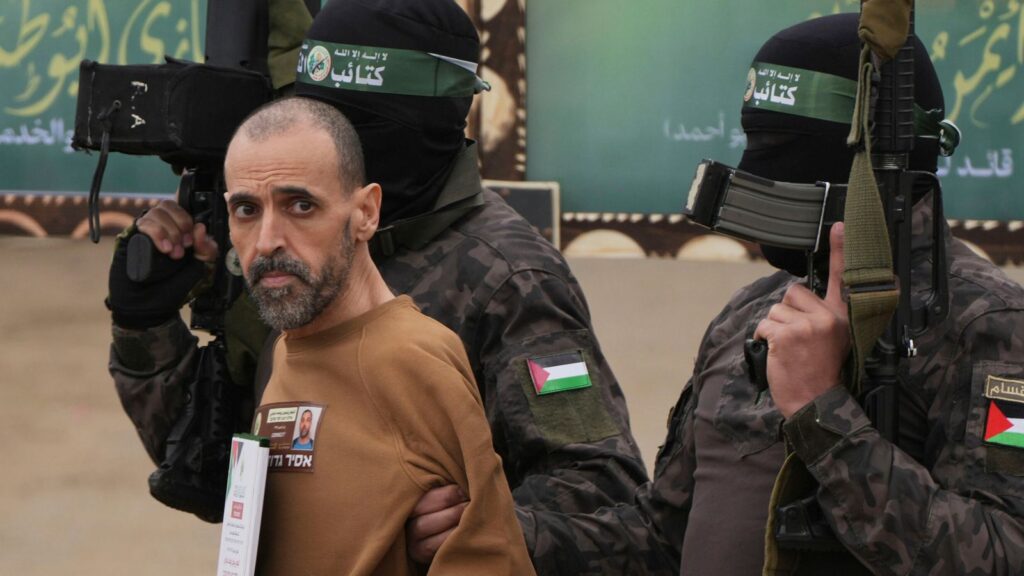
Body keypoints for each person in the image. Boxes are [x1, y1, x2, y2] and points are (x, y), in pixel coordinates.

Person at [410, 13, 1024, 575]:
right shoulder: (749, 312)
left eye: (788, 159)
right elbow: (659, 538)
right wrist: (506, 532)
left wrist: (823, 412)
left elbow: (1002, 551)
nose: (761, 181)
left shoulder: (985, 323)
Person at [106, 0, 647, 551]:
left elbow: (611, 506)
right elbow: (222, 477)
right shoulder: (296, 245)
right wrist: (145, 325)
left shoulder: (507, 277)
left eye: (355, 129)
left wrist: (488, 528)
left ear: (431, 119)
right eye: (319, 122)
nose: (331, 150)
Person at [223, 95, 534, 574]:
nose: (266, 241)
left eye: (300, 205)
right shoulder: (289, 345)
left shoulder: (412, 358)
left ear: (366, 212)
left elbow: (490, 558)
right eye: (246, 209)